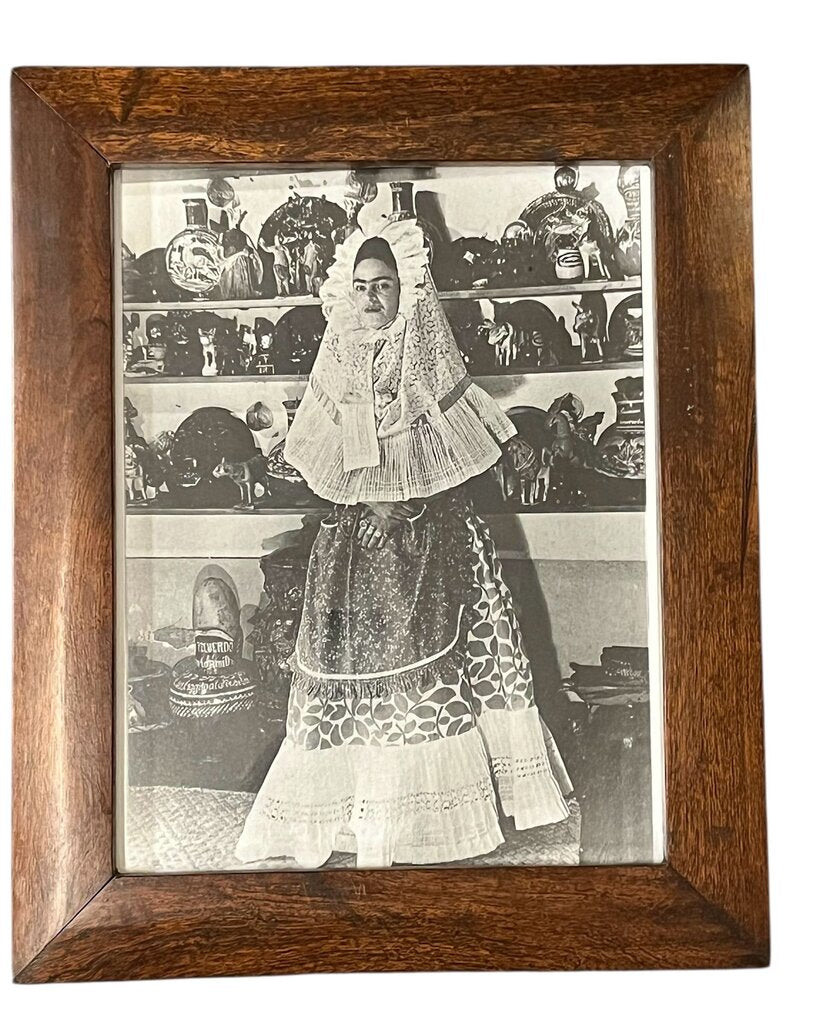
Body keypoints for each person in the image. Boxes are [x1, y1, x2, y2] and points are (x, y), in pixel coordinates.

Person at [236, 220, 572, 869]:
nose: (370, 300)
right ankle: (351, 816)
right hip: (354, 543)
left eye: (383, 286)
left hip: (430, 538)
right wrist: (365, 497)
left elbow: (462, 404)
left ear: (405, 291)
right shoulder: (338, 360)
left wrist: (513, 445)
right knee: (349, 668)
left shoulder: (422, 352)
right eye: (359, 287)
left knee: (429, 662)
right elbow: (315, 442)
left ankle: (424, 821)